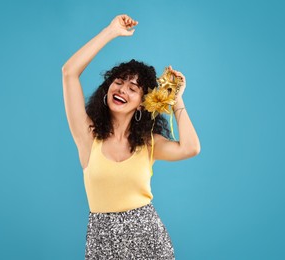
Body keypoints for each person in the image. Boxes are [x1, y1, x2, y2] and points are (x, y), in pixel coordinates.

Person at [62, 14, 201, 260]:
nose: (122, 89)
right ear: (107, 90)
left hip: (150, 243)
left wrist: (176, 98)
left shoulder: (148, 143)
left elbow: (191, 148)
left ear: (141, 104)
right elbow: (69, 72)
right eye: (118, 82)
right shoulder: (87, 136)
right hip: (102, 245)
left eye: (133, 88)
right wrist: (111, 31)